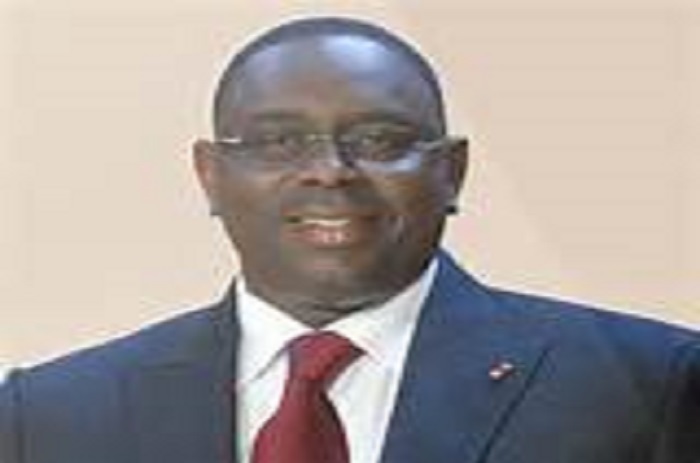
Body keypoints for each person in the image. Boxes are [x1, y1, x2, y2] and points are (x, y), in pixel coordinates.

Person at [1, 16, 698, 463]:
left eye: (380, 140)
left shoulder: (650, 386)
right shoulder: (50, 418)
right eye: (279, 141)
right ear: (210, 176)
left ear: (451, 171)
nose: (330, 171)